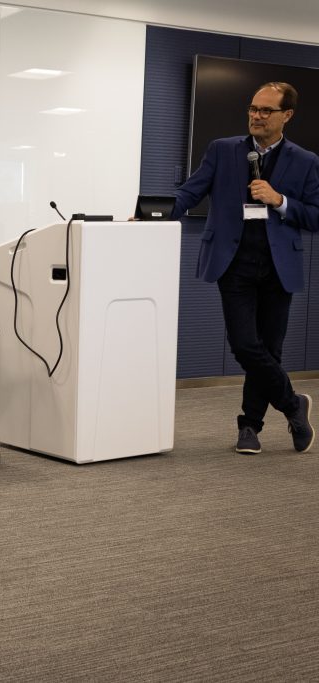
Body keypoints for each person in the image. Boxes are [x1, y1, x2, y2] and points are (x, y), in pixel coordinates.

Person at [172, 82, 319, 455]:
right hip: (233, 263)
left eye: (266, 110)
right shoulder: (223, 150)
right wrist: (152, 213)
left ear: (287, 115)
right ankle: (293, 404)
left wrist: (280, 200)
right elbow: (191, 192)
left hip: (277, 265)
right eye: (253, 108)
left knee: (269, 349)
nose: (256, 115)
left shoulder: (306, 161)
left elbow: (316, 215)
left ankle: (250, 426)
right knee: (244, 345)